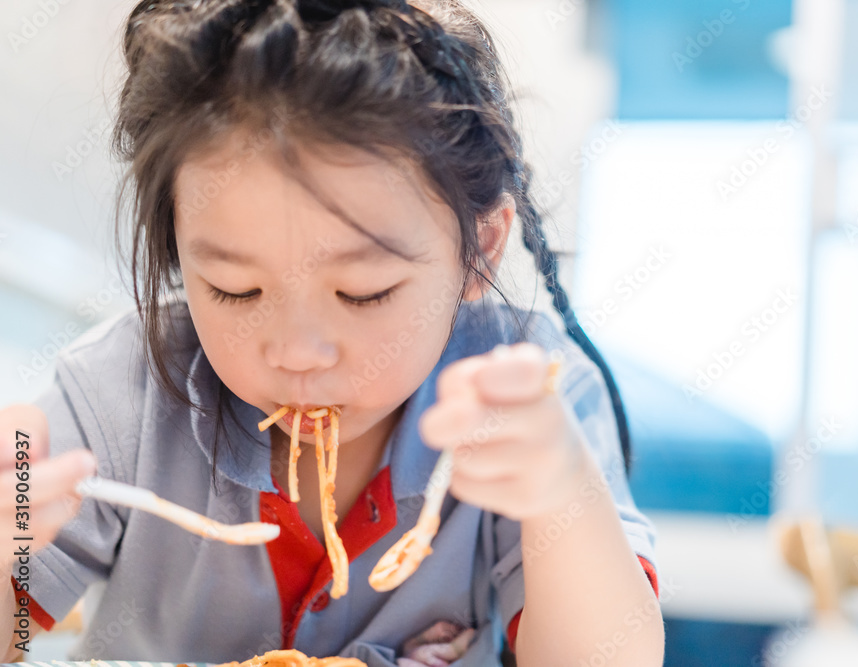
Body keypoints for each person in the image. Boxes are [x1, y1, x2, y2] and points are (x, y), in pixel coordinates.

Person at [0, 1, 663, 665]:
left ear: (479, 251)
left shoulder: (527, 388)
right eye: (236, 289)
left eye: (362, 292)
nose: (297, 352)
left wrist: (560, 491)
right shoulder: (122, 394)